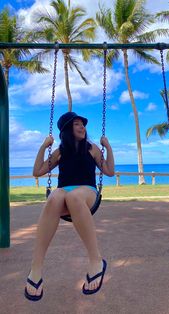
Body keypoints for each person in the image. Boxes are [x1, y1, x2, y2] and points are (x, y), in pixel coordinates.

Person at [24, 112, 115, 301]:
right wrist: (43, 146)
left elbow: (109, 171)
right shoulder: (60, 151)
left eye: (83, 124)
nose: (82, 127)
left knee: (74, 197)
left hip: (87, 192)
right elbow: (37, 171)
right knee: (55, 196)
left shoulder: (92, 148)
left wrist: (108, 147)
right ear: (67, 129)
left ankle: (96, 261)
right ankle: (36, 267)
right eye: (77, 124)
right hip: (63, 193)